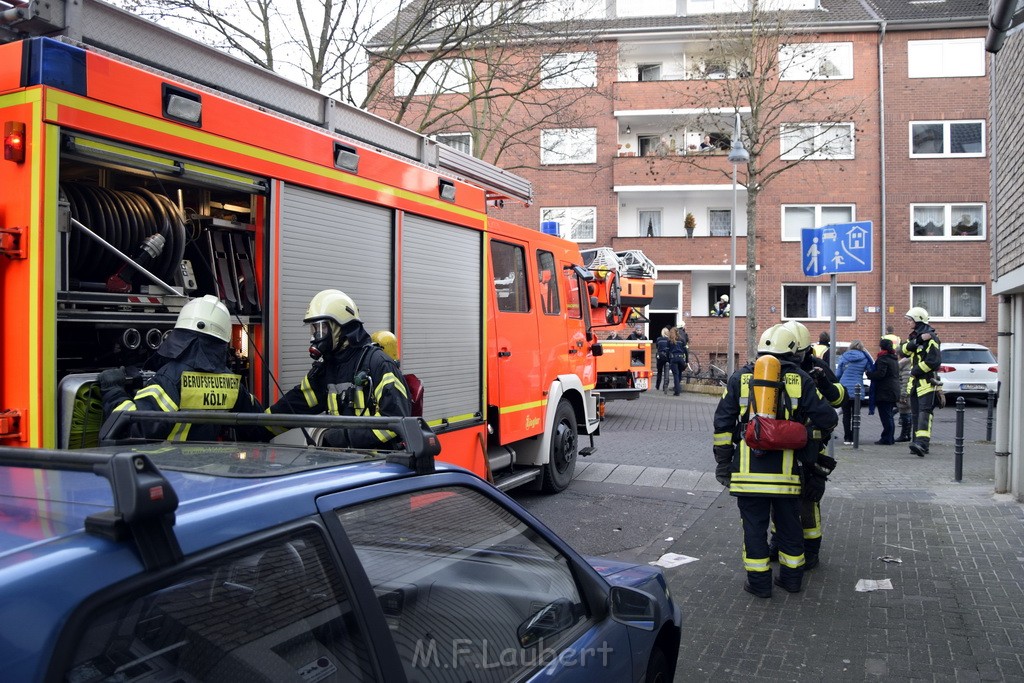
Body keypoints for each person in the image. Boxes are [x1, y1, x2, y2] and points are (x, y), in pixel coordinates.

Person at [713, 324, 838, 597]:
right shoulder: (802, 380)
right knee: (790, 527)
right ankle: (791, 580)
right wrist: (806, 437)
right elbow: (828, 417)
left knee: (754, 530)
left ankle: (759, 585)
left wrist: (723, 464)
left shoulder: (739, 378)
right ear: (793, 352)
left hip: (747, 475)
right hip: (787, 476)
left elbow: (722, 424)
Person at [99, 294, 267, 441]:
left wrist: (114, 391)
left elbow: (134, 429)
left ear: (181, 335)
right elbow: (258, 426)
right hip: (213, 471)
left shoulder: (171, 380)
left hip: (174, 470)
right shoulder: (231, 383)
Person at [269, 289, 411, 449]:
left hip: (378, 466)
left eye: (321, 329)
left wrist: (343, 437)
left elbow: (395, 418)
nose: (315, 337)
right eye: (313, 330)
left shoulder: (378, 364)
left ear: (340, 327)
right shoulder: (327, 370)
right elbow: (292, 407)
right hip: (342, 463)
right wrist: (254, 427)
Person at [779, 320, 845, 569]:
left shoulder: (817, 368)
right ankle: (779, 543)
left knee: (808, 500)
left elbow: (839, 398)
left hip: (810, 446)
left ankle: (811, 550)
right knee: (782, 499)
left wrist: (825, 384)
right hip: (783, 444)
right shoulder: (775, 367)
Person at [901, 306, 942, 456]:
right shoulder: (916, 336)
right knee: (916, 414)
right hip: (915, 383)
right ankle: (915, 443)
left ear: (917, 320)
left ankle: (922, 444)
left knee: (925, 413)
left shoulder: (932, 338)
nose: (907, 323)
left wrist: (914, 370)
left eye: (909, 320)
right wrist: (917, 340)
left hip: (927, 382)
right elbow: (903, 350)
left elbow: (934, 361)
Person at [835, 340, 874, 445]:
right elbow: (871, 369)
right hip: (858, 389)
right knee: (856, 415)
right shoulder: (864, 357)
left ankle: (847, 438)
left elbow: (838, 374)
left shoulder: (844, 356)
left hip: (845, 388)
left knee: (846, 415)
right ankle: (854, 437)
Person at [865, 337, 901, 445]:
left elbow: (881, 374)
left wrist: (869, 374)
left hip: (885, 391)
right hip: (893, 389)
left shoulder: (883, 358)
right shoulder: (893, 358)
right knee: (889, 414)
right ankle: (890, 437)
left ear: (881, 347)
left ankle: (887, 438)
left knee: (886, 416)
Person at [895, 347, 914, 442]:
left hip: (904, 393)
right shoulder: (908, 364)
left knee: (905, 413)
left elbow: (905, 381)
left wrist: (903, 395)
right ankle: (907, 434)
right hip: (907, 393)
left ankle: (904, 435)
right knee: (906, 413)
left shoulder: (904, 365)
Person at [667, 326, 687, 395]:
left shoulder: (670, 341)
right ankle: (678, 388)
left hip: (673, 359)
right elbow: (686, 351)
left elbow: (667, 351)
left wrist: (668, 361)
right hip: (681, 359)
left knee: (675, 375)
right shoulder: (682, 340)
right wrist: (687, 361)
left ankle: (677, 390)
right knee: (680, 373)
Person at [654, 327, 671, 391]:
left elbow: (657, 347)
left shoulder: (658, 339)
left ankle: (657, 386)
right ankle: (665, 387)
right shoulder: (669, 340)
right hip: (667, 357)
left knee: (659, 372)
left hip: (660, 357)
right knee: (666, 373)